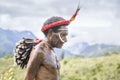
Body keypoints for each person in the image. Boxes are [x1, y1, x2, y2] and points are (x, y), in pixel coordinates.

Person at [24, 6, 80, 80]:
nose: (65, 40)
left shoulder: (51, 50)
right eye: (63, 35)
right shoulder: (39, 51)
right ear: (50, 33)